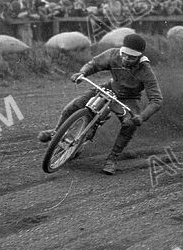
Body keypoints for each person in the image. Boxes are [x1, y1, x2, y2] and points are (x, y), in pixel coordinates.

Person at [38, 34, 163, 175]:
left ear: (139, 57)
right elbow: (94, 64)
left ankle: (113, 158)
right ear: (121, 50)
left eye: (131, 57)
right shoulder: (113, 54)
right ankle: (56, 133)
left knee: (129, 124)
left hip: (129, 98)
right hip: (109, 88)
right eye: (124, 54)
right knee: (73, 106)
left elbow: (157, 100)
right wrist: (82, 73)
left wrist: (142, 116)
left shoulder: (146, 71)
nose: (126, 58)